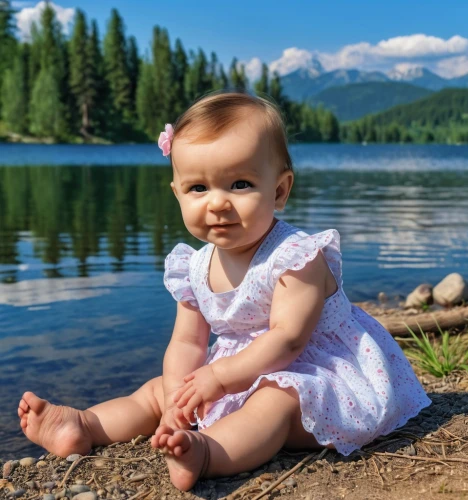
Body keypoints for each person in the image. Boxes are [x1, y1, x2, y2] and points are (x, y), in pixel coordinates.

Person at [18, 92, 431, 492]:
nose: (217, 203)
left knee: (276, 401)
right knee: (157, 389)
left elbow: (288, 339)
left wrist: (219, 376)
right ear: (177, 194)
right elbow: (186, 341)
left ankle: (208, 452)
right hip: (236, 372)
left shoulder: (296, 257)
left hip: (317, 374)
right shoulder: (193, 267)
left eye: (239, 184)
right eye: (198, 188)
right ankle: (85, 425)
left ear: (280, 190)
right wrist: (179, 397)